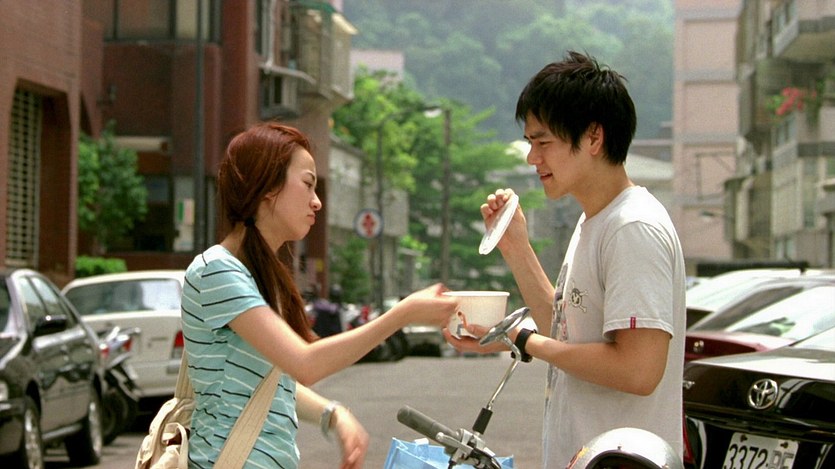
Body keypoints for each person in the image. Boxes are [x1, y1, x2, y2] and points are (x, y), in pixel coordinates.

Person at [445, 51, 686, 467]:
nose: (532, 158)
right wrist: (516, 246)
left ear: (593, 137)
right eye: (530, 143)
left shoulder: (632, 227)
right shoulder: (595, 221)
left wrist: (522, 340)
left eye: (543, 143)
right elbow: (564, 331)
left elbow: (639, 370)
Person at [181, 122, 458, 468]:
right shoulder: (217, 271)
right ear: (268, 187)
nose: (317, 201)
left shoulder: (258, 275)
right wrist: (404, 313)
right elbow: (305, 363)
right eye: (307, 184)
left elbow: (268, 383)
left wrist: (332, 413)